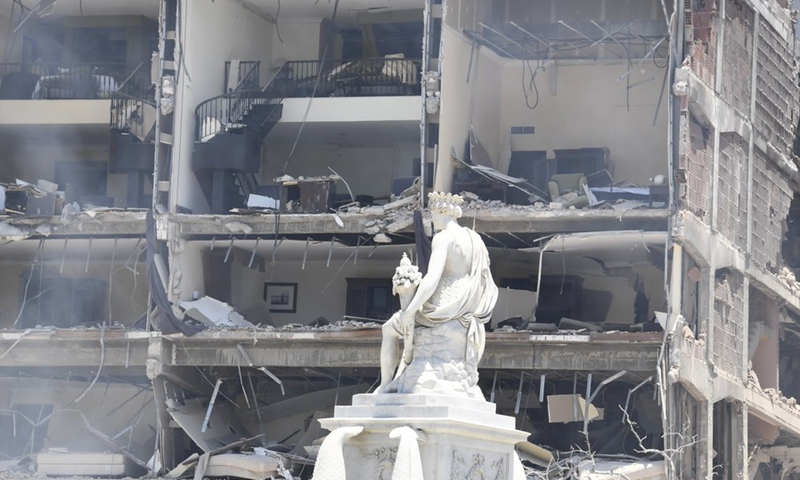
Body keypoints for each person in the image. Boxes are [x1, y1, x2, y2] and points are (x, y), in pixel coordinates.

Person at [377, 192, 498, 397]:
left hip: (443, 305)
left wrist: (410, 310)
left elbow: (432, 279)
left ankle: (384, 385)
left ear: (441, 212)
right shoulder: (475, 239)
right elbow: (485, 280)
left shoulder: (443, 238)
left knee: (389, 328)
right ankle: (397, 378)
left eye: (432, 213)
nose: (432, 219)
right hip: (468, 306)